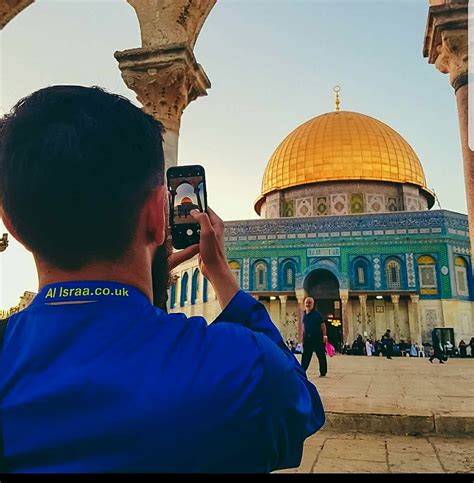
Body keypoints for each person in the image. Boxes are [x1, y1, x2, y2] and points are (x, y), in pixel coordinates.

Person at [0, 86, 325, 473]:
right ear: (159, 215)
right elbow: (299, 407)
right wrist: (222, 278)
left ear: (12, 226)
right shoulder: (238, 367)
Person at [300, 297, 328, 377]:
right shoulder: (304, 314)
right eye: (307, 303)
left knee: (321, 355)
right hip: (307, 338)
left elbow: (323, 325)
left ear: (312, 304)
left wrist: (324, 335)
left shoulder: (317, 314)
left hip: (317, 338)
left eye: (309, 303)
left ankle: (323, 372)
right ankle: (302, 371)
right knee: (305, 356)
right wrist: (302, 337)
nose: (308, 304)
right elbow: (303, 326)